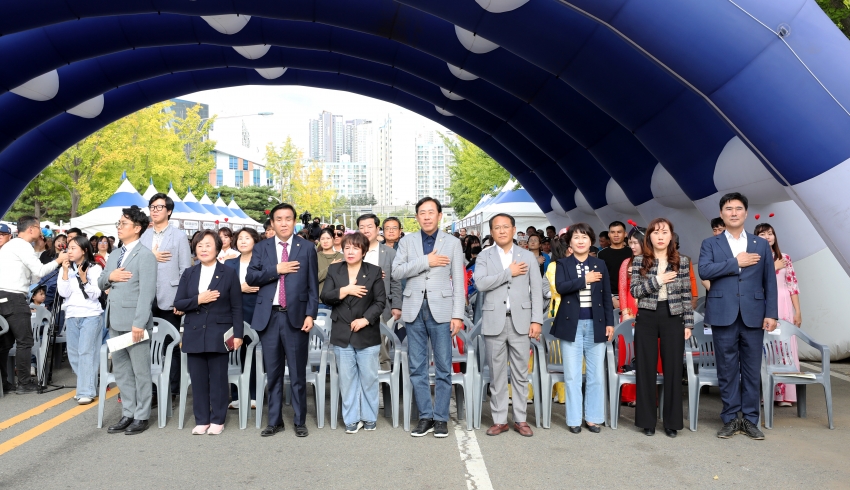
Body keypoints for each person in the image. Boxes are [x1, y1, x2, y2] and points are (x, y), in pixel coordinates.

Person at [698, 192, 777, 440]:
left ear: (745, 212)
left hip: (754, 314)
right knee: (727, 368)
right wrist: (736, 262)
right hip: (723, 313)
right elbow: (704, 270)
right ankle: (731, 418)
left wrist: (772, 313)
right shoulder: (710, 243)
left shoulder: (760, 244)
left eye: (738, 208)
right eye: (729, 209)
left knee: (753, 369)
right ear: (721, 213)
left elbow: (770, 281)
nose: (734, 213)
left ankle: (751, 420)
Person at [392, 197, 465, 438]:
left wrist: (458, 314)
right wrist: (426, 261)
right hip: (413, 308)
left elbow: (459, 282)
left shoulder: (453, 243)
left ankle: (441, 417)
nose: (426, 216)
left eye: (430, 212)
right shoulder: (407, 241)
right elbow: (397, 271)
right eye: (422, 212)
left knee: (444, 366)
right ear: (416, 217)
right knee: (417, 366)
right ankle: (425, 416)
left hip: (442, 310)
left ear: (440, 215)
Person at [246, 203, 319, 438]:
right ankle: (274, 420)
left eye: (288, 218)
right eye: (279, 219)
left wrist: (311, 314)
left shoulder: (307, 248)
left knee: (298, 373)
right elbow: (251, 277)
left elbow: (312, 287)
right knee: (274, 373)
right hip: (269, 317)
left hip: (296, 317)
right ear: (272, 223)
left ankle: (299, 420)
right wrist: (276, 269)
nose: (284, 223)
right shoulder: (262, 248)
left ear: (294, 221)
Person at [473, 213, 542, 437]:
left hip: (521, 321)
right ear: (491, 232)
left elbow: (537, 290)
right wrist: (507, 273)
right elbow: (481, 284)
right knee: (497, 373)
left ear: (514, 230)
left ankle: (521, 419)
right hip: (494, 321)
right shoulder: (484, 256)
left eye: (506, 227)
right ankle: (500, 419)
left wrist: (536, 320)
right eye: (497, 227)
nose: (501, 231)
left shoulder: (527, 256)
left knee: (521, 373)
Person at [174, 230, 244, 435]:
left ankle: (218, 419)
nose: (203, 249)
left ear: (217, 247)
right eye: (199, 245)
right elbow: (178, 303)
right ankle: (202, 419)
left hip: (219, 331)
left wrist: (237, 334)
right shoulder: (189, 273)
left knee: (218, 379)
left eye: (208, 245)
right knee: (198, 379)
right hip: (194, 331)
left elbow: (237, 307)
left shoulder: (228, 273)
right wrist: (199, 299)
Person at [630, 218, 693, 437]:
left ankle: (672, 422)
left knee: (674, 369)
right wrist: (658, 280)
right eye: (655, 233)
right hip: (647, 316)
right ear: (649, 237)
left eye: (664, 232)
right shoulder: (639, 261)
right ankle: (647, 421)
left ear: (671, 236)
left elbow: (686, 293)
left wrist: (689, 323)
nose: (660, 236)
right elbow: (635, 292)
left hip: (673, 316)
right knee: (646, 368)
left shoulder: (682, 261)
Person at [98, 205, 157, 435]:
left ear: (137, 228)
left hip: (134, 322)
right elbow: (102, 281)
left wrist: (139, 323)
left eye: (123, 223)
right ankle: (128, 413)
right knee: (122, 371)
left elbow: (147, 292)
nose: (119, 227)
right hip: (114, 321)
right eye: (119, 223)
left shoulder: (145, 255)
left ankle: (141, 416)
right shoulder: (114, 254)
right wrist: (110, 276)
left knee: (140, 371)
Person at [320, 232, 386, 433]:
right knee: (347, 379)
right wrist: (346, 290)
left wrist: (365, 319)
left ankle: (369, 416)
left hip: (366, 333)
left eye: (355, 248)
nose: (350, 251)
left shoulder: (374, 272)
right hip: (342, 332)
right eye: (347, 247)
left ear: (363, 251)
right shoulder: (334, 269)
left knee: (368, 378)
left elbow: (380, 302)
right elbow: (325, 296)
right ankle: (351, 418)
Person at [552, 223, 613, 433]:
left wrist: (610, 323)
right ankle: (574, 419)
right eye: (576, 237)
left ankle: (593, 418)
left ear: (591, 241)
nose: (580, 241)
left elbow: (606, 296)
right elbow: (561, 287)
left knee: (596, 375)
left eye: (584, 237)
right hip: (571, 325)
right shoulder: (562, 264)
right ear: (570, 242)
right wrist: (584, 280)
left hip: (596, 325)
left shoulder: (600, 264)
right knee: (572, 375)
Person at [0, 216, 67, 393]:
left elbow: (34, 275)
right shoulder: (22, 245)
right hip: (14, 297)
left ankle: (4, 383)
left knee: (5, 343)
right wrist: (59, 260)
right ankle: (24, 382)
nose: (41, 232)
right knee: (25, 341)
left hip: (3, 296)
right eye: (38, 227)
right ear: (31, 229)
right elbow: (40, 271)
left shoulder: (10, 246)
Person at [140, 192, 192, 402]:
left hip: (170, 296)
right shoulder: (143, 235)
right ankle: (150, 390)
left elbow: (185, 270)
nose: (154, 210)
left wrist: (182, 299)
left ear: (169, 211)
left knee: (171, 344)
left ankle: (172, 389)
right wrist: (151, 257)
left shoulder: (178, 236)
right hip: (145, 296)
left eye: (159, 207)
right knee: (146, 344)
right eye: (152, 207)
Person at [755, 222, 802, 407]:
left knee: (785, 347)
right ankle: (767, 392)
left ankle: (786, 395)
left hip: (784, 305)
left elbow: (792, 286)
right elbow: (755, 281)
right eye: (762, 234)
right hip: (765, 305)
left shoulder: (786, 258)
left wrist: (798, 311)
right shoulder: (755, 258)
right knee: (767, 347)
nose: (767, 237)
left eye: (770, 233)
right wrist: (774, 266)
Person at [58, 236, 103, 405]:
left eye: (73, 248)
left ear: (84, 250)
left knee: (86, 352)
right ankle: (87, 384)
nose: (69, 251)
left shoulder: (95, 268)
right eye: (68, 248)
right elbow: (63, 293)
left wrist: (84, 278)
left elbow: (95, 294)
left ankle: (85, 390)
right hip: (71, 315)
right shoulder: (66, 269)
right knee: (74, 355)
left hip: (91, 315)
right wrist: (64, 271)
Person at [224, 227, 262, 409]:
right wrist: (242, 287)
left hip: (256, 312)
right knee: (235, 352)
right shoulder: (229, 264)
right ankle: (237, 396)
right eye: (240, 238)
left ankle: (254, 395)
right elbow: (222, 289)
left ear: (255, 240)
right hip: (234, 313)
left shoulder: (262, 262)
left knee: (253, 354)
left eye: (247, 238)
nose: (243, 241)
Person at [597, 221, 630, 310]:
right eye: (612, 232)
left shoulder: (632, 252)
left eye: (619, 232)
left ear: (625, 234)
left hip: (630, 296)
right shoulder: (602, 254)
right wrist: (611, 298)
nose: (616, 235)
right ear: (609, 234)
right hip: (609, 297)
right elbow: (600, 278)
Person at [316, 228, 343, 304]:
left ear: (333, 239)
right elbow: (314, 279)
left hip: (338, 300)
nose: (325, 241)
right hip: (319, 300)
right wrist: (330, 267)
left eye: (328, 238)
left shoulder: (341, 257)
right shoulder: (314, 257)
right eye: (322, 239)